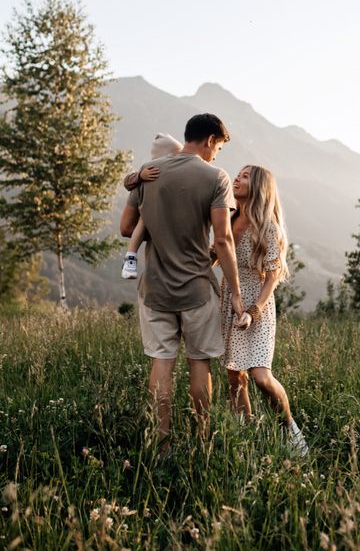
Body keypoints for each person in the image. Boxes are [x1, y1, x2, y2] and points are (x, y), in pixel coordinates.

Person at [120, 114, 243, 449]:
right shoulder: (215, 177)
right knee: (199, 362)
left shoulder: (149, 172)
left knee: (162, 362)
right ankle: (202, 440)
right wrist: (233, 291)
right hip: (197, 290)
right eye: (217, 146)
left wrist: (160, 229)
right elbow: (223, 240)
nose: (216, 154)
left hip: (156, 288)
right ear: (209, 140)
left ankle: (161, 443)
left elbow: (126, 228)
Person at [220, 165, 309, 456]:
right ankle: (248, 437)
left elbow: (272, 277)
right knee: (235, 377)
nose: (237, 178)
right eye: (239, 173)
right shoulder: (228, 218)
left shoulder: (268, 227)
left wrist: (254, 310)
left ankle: (289, 429)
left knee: (261, 377)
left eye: (245, 176)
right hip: (229, 302)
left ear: (259, 186)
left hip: (258, 304)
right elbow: (215, 254)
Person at [121, 133, 183, 279]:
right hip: (150, 214)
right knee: (143, 222)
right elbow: (127, 182)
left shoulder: (176, 174)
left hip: (167, 218)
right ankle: (130, 257)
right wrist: (140, 176)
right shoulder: (149, 171)